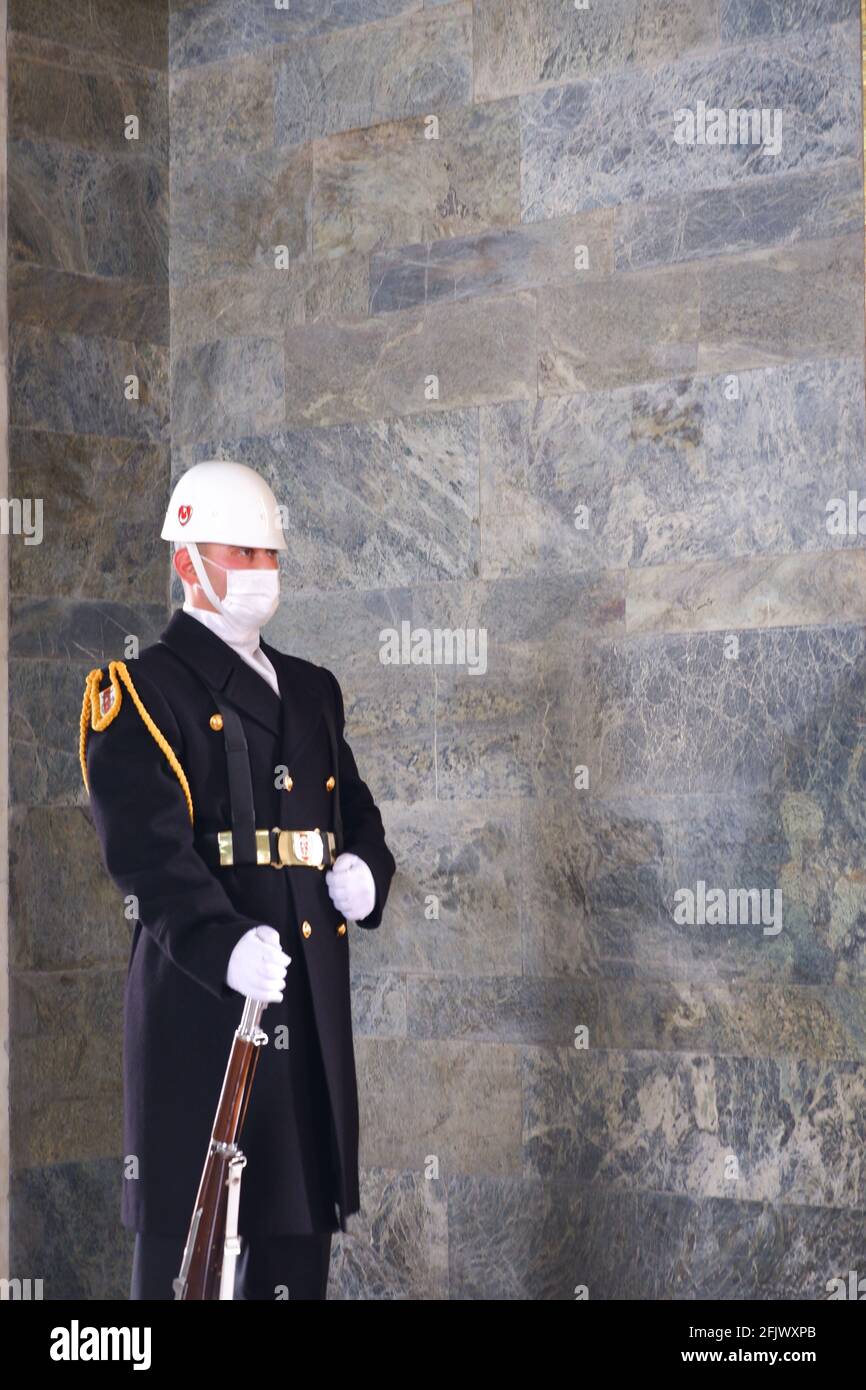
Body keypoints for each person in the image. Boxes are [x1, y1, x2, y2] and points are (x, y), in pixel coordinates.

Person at [79, 459, 396, 1300]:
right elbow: (147, 855)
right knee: (189, 1247)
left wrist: (367, 867)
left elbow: (352, 810)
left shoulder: (313, 690)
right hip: (203, 1000)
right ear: (189, 564)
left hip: (305, 1000)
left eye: (271, 557)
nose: (262, 575)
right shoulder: (140, 691)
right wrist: (221, 949)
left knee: (293, 1237)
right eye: (242, 556)